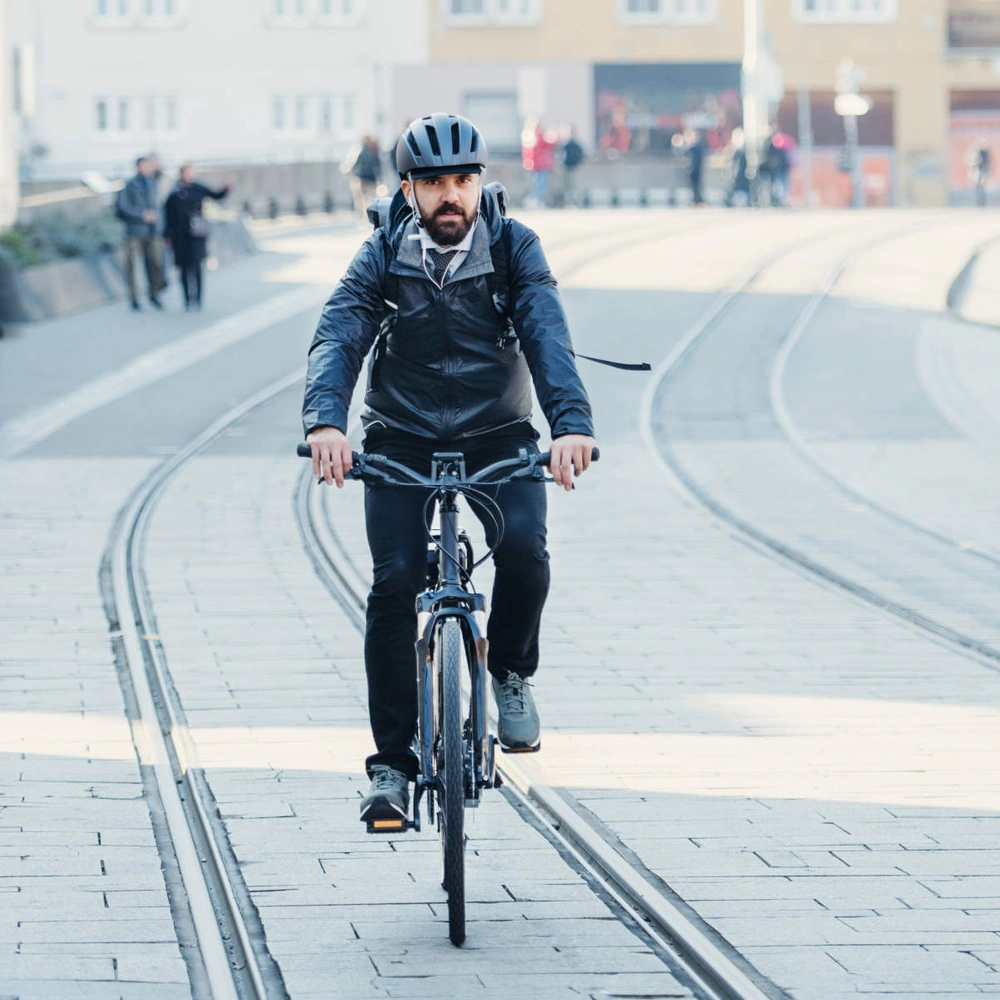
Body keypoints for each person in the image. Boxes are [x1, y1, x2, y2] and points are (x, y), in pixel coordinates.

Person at [302, 113, 596, 826]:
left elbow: (546, 333)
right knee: (393, 585)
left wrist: (571, 427)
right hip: (400, 437)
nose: (450, 196)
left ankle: (511, 672)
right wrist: (327, 423)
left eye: (462, 180)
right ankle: (392, 769)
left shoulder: (515, 247)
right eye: (434, 183)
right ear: (408, 189)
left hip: (499, 436)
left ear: (480, 183)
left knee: (525, 550)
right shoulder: (380, 252)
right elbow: (341, 330)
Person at [163, 164, 231, 311]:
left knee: (197, 267)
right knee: (183, 268)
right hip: (179, 235)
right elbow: (168, 215)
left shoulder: (198, 188)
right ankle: (187, 299)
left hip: (196, 234)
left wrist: (226, 188)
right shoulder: (174, 192)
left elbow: (216, 195)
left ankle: (198, 299)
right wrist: (167, 235)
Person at [115, 156, 166, 311]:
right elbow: (121, 208)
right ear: (138, 167)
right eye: (146, 165)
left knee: (157, 263)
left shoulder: (153, 184)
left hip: (153, 231)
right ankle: (134, 298)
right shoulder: (130, 185)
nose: (149, 168)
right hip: (135, 231)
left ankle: (154, 294)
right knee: (133, 266)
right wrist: (141, 214)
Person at [521, 117, 558, 208]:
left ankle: (534, 200)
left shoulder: (527, 136)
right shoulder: (538, 135)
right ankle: (534, 200)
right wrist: (554, 135)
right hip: (542, 164)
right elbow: (551, 144)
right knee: (541, 184)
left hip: (534, 164)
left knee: (538, 184)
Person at [344, 135, 383, 218]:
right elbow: (378, 166)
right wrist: (380, 178)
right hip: (372, 179)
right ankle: (369, 216)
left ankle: (363, 216)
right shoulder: (374, 150)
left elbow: (355, 164)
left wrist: (350, 172)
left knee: (361, 199)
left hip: (362, 178)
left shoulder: (361, 150)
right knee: (371, 199)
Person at [559, 126, 585, 208]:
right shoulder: (563, 145)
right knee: (566, 186)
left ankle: (573, 202)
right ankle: (568, 202)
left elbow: (580, 154)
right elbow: (559, 155)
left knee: (573, 186)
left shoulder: (575, 144)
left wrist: (577, 162)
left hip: (573, 167)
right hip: (565, 167)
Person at [687, 129, 709, 206]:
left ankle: (698, 200)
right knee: (695, 186)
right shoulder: (699, 146)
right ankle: (697, 199)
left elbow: (686, 150)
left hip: (696, 170)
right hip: (695, 170)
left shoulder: (697, 146)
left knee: (697, 186)